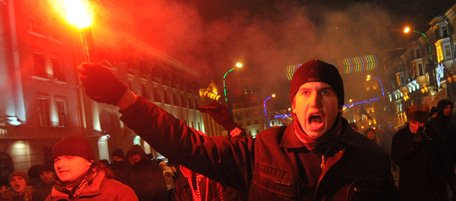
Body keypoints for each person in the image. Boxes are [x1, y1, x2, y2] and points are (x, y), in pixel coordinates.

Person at [77, 59, 399, 200]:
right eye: (305, 92)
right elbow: (187, 144)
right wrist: (125, 99)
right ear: (294, 106)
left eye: (325, 92)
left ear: (338, 103)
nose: (315, 99)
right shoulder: (262, 150)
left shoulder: (370, 158)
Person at [391, 104, 456, 201]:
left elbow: (444, 161)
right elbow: (398, 159)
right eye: (414, 122)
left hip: (434, 189)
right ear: (409, 121)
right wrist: (413, 144)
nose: (417, 127)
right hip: (412, 189)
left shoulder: (433, 134)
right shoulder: (400, 136)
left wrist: (453, 183)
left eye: (420, 123)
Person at [45, 136, 138, 201]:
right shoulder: (53, 197)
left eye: (69, 158)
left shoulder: (118, 193)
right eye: (57, 160)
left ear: (89, 161)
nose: (60, 164)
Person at [427, 99, 456, 166]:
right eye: (446, 108)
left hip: (452, 158)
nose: (449, 110)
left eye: (450, 108)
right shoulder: (433, 124)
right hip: (439, 160)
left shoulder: (452, 122)